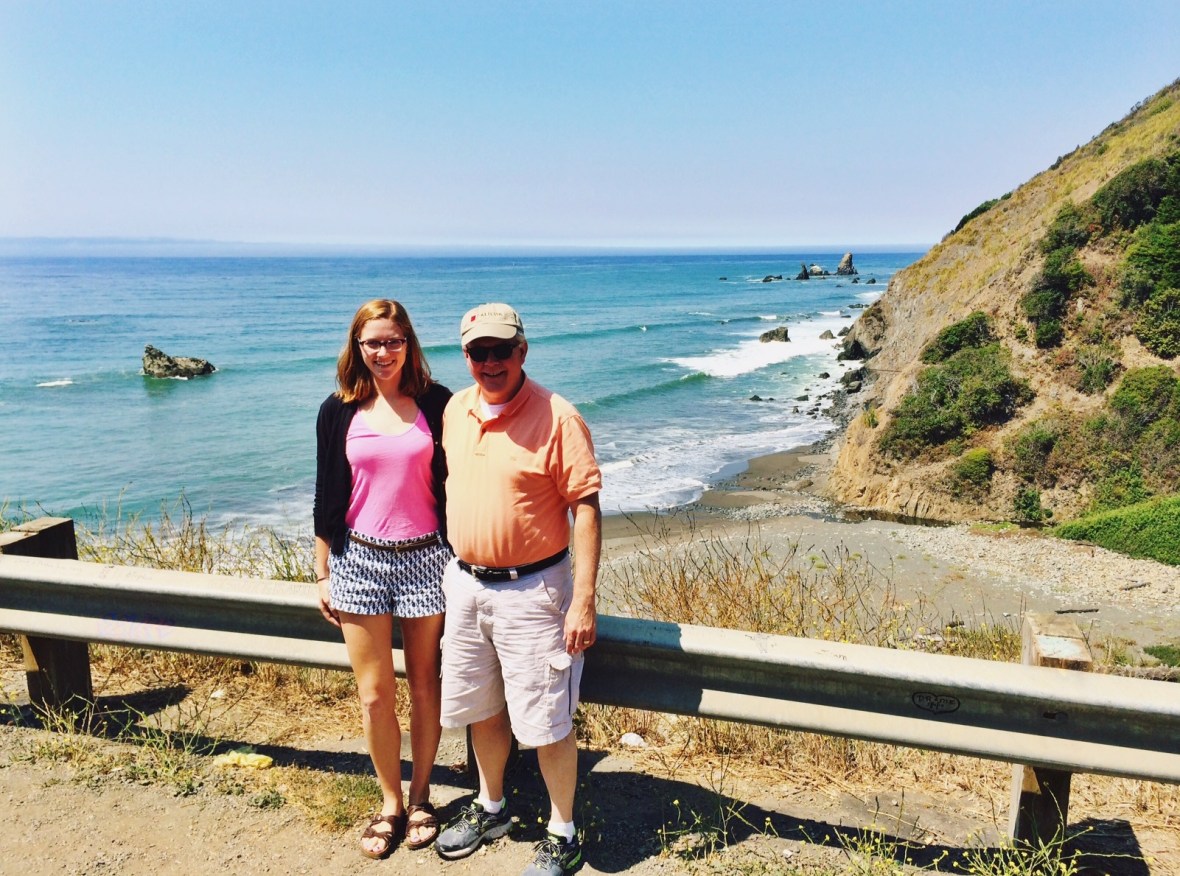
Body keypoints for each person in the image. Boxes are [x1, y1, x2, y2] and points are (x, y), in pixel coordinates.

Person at [434, 303, 602, 876]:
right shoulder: (456, 410)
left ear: (522, 350)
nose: (490, 362)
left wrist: (583, 598)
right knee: (482, 709)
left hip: (535, 591)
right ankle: (492, 805)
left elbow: (585, 507)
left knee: (547, 720)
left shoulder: (558, 417)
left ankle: (563, 832)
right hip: (465, 584)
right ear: (466, 357)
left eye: (501, 350)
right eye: (478, 352)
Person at [313, 298, 452, 859]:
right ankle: (390, 803)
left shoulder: (438, 402)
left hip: (428, 559)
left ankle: (422, 797)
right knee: (374, 696)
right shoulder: (338, 409)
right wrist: (322, 571)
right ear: (357, 347)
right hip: (360, 560)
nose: (383, 352)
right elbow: (326, 493)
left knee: (425, 685)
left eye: (393, 341)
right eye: (372, 342)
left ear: (408, 343)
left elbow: (463, 474)